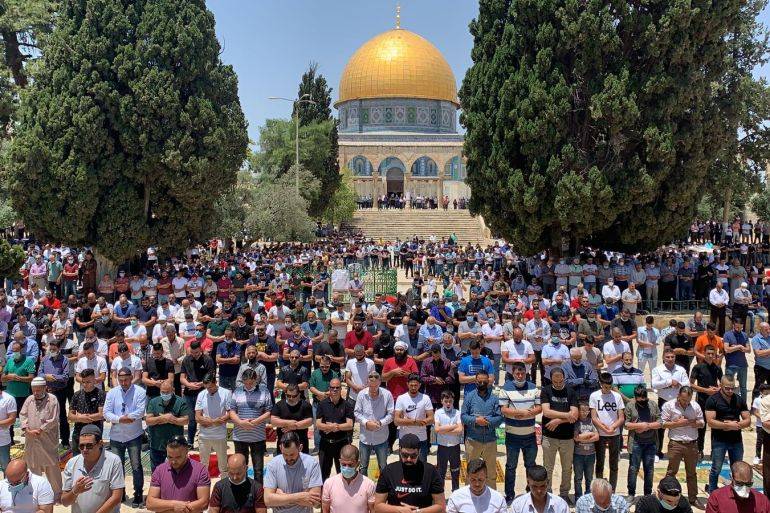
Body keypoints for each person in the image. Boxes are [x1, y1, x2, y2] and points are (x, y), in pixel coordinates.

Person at [103, 367, 147, 508]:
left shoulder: (140, 391)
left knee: (136, 466)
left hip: (134, 435)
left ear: (131, 377)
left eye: (126, 380)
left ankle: (138, 493)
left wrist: (127, 417)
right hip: (116, 436)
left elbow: (141, 411)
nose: (123, 383)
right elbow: (106, 413)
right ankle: (120, 493)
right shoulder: (112, 392)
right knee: (118, 466)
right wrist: (120, 419)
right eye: (121, 380)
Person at [499, 362, 541, 503]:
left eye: (522, 372)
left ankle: (530, 491)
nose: (520, 375)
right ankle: (509, 494)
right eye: (517, 373)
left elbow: (539, 407)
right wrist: (520, 413)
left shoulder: (533, 387)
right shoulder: (506, 388)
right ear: (513, 373)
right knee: (511, 467)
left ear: (526, 372)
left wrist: (527, 413)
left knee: (531, 465)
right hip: (512, 436)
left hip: (530, 435)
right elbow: (503, 409)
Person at [373, 433, 446, 513]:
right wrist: (400, 510)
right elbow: (377, 506)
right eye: (405, 455)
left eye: (413, 456)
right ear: (400, 451)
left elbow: (441, 506)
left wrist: (418, 512)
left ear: (419, 452)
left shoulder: (430, 471)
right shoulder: (389, 471)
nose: (409, 459)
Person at [61, 425, 124, 513]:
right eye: (81, 446)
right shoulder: (72, 463)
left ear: (100, 443)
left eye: (89, 446)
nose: (85, 450)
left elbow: (116, 497)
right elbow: (65, 502)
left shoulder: (113, 461)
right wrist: (75, 491)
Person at [706, 375, 751, 493]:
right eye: (727, 388)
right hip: (719, 440)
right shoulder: (713, 399)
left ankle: (735, 491)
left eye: (732, 388)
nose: (730, 391)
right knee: (716, 468)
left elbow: (747, 420)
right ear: (720, 386)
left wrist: (736, 425)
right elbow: (710, 422)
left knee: (737, 468)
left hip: (736, 440)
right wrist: (727, 426)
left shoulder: (739, 399)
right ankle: (712, 491)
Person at [662, 386, 704, 507]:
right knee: (671, 472)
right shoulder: (669, 405)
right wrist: (677, 423)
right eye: (684, 400)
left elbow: (702, 423)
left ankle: (693, 498)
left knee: (691, 473)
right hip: (676, 443)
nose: (686, 403)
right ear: (678, 396)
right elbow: (663, 423)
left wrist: (691, 422)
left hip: (691, 444)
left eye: (688, 401)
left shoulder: (695, 406)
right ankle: (667, 496)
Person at [540, 367, 578, 503]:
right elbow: (546, 412)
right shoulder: (546, 390)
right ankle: (548, 492)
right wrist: (567, 415)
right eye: (555, 381)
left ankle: (564, 493)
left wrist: (558, 420)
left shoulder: (571, 391)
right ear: (551, 379)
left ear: (564, 378)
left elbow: (575, 415)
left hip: (567, 437)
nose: (557, 383)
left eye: (560, 381)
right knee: (548, 467)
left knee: (567, 468)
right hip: (549, 436)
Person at [228, 367, 272, 484]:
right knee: (241, 467)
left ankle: (258, 491)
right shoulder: (237, 391)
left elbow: (269, 411)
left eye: (251, 383)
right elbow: (232, 411)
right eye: (245, 383)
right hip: (240, 436)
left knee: (258, 469)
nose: (248, 385)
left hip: (257, 436)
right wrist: (240, 422)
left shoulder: (264, 391)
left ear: (256, 380)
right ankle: (243, 489)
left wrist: (256, 422)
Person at [20, 376, 62, 497]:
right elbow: (23, 415)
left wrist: (40, 429)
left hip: (47, 439)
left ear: (45, 388)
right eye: (34, 390)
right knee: (33, 467)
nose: (36, 393)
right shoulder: (29, 399)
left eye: (38, 390)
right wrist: (27, 429)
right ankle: (36, 494)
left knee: (52, 467)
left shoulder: (52, 399)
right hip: (31, 440)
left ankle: (57, 494)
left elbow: (53, 419)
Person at [146, 435, 211, 513]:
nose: (173, 461)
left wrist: (167, 508)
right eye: (170, 457)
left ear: (186, 452)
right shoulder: (159, 470)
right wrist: (174, 505)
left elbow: (204, 503)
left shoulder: (200, 470)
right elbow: (150, 503)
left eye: (178, 457)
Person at [460, 370, 503, 488]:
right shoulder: (469, 397)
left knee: (491, 473)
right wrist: (476, 420)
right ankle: (470, 496)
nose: (482, 383)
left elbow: (499, 418)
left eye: (485, 381)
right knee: (471, 472)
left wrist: (487, 422)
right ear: (475, 381)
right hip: (473, 440)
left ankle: (491, 496)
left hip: (490, 440)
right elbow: (463, 416)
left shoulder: (494, 398)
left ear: (488, 381)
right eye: (480, 381)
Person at [263, 431, 324, 513]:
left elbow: (315, 503)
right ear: (280, 448)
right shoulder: (273, 464)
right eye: (285, 454)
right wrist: (300, 496)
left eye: (292, 454)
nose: (288, 458)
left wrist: (281, 497)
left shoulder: (312, 464)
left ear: (300, 448)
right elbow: (268, 500)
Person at [589, 372, 625, 490]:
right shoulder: (594, 396)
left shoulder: (617, 396)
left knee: (614, 463)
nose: (608, 389)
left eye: (610, 387)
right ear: (600, 384)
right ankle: (599, 488)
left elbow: (621, 417)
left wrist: (613, 427)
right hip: (600, 433)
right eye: (605, 387)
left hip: (615, 433)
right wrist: (604, 428)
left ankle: (612, 489)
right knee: (600, 462)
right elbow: (594, 417)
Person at [354, 370, 393, 477]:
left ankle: (383, 485)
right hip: (365, 437)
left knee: (383, 466)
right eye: (371, 386)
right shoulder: (361, 394)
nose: (373, 389)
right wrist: (366, 423)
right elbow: (357, 413)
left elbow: (391, 414)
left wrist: (380, 423)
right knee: (363, 466)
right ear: (367, 383)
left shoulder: (387, 395)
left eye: (376, 386)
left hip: (381, 437)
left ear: (380, 382)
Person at [652, 349, 690, 459]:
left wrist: (678, 383)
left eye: (672, 357)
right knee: (660, 427)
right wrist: (668, 382)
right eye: (667, 357)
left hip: (678, 402)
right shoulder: (657, 369)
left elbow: (687, 384)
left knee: (679, 427)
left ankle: (678, 452)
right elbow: (654, 384)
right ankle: (657, 452)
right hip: (663, 401)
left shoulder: (681, 369)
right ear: (663, 358)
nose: (670, 359)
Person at [624, 384, 659, 501]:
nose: (643, 402)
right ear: (635, 398)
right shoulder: (630, 406)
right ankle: (631, 493)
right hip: (636, 442)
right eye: (640, 400)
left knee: (649, 469)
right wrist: (639, 426)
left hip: (651, 442)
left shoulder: (653, 405)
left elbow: (660, 422)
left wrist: (647, 426)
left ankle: (647, 494)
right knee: (633, 469)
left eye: (644, 399)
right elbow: (626, 424)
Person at [145, 379, 189, 471]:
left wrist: (172, 419)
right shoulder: (153, 402)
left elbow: (185, 420)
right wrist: (162, 418)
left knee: (177, 471)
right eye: (163, 392)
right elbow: (148, 421)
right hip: (157, 445)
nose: (165, 394)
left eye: (167, 392)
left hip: (176, 446)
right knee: (156, 472)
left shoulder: (180, 401)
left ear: (173, 390)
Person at [316, 377, 354, 480]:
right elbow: (318, 424)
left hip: (341, 443)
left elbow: (350, 425)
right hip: (325, 444)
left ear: (341, 388)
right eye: (333, 387)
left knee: (343, 474)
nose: (335, 390)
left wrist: (335, 427)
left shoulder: (347, 405)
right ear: (329, 388)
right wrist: (330, 427)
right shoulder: (322, 404)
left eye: (337, 387)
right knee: (323, 473)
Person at [195, 371, 231, 478]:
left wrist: (208, 421)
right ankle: (203, 484)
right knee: (203, 465)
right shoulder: (201, 394)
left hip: (220, 435)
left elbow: (230, 413)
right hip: (204, 435)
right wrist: (214, 422)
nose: (208, 390)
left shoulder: (226, 393)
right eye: (206, 387)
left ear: (216, 383)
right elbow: (197, 417)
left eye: (210, 387)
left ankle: (224, 485)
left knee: (223, 466)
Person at [320, 444, 376, 513]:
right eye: (343, 464)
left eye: (350, 465)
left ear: (358, 464)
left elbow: (373, 510)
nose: (346, 468)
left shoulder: (369, 484)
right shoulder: (329, 483)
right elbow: (325, 509)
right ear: (340, 461)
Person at [180, 340, 215, 446]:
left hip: (204, 392)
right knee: (191, 419)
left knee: (205, 418)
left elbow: (211, 377)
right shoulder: (186, 359)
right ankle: (190, 442)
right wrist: (189, 384)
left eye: (196, 353)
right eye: (192, 353)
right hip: (189, 393)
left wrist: (200, 384)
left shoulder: (208, 360)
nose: (194, 355)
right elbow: (182, 378)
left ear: (201, 349)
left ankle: (208, 442)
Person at [690, 344, 723, 457]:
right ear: (704, 353)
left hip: (714, 401)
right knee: (701, 426)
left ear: (715, 355)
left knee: (715, 426)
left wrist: (717, 389)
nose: (710, 356)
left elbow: (723, 384)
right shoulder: (698, 367)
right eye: (708, 353)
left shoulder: (717, 368)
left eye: (712, 354)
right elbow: (691, 384)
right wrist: (705, 390)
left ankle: (715, 450)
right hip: (702, 399)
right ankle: (700, 450)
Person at [37, 337, 70, 447]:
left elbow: (65, 377)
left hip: (59, 392)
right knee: (45, 416)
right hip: (46, 392)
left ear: (59, 349)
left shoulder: (64, 360)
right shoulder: (45, 359)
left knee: (61, 416)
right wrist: (46, 377)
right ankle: (47, 440)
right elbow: (40, 373)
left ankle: (65, 441)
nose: (52, 351)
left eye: (54, 349)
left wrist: (53, 377)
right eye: (50, 349)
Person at [394, 373, 435, 461]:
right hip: (405, 437)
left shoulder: (425, 398)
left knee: (422, 464)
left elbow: (431, 419)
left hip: (421, 438)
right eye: (411, 385)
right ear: (407, 384)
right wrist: (416, 422)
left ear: (419, 385)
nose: (413, 387)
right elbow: (396, 421)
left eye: (415, 385)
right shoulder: (401, 398)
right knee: (404, 464)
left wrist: (406, 421)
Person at [705, 461, 770, 513]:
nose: (744, 488)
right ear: (731, 477)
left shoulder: (762, 501)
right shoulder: (716, 498)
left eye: (748, 484)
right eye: (739, 483)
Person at [68, 368, 105, 456]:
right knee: (77, 458)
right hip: (78, 433)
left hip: (94, 434)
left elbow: (101, 414)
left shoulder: (100, 394)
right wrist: (80, 418)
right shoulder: (77, 395)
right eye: (83, 382)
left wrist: (84, 418)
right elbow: (70, 416)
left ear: (94, 380)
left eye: (88, 382)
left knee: (95, 458)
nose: (85, 384)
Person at [434, 390, 463, 492]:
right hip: (442, 447)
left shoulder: (458, 413)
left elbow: (460, 430)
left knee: (455, 471)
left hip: (455, 447)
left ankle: (455, 491)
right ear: (442, 401)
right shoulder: (438, 413)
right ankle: (440, 493)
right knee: (441, 472)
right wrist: (453, 426)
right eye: (446, 401)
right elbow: (437, 429)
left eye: (450, 401)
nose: (448, 404)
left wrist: (444, 430)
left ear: (453, 401)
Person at [573, 402, 599, 498]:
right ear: (579, 411)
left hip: (591, 454)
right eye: (582, 411)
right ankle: (578, 496)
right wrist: (590, 434)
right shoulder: (576, 422)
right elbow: (576, 437)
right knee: (578, 478)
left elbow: (597, 437)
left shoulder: (592, 421)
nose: (585, 413)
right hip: (578, 454)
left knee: (589, 478)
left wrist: (583, 438)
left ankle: (588, 496)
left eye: (587, 411)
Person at [723, 319, 750, 401]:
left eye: (741, 327)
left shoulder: (744, 335)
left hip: (743, 365)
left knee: (743, 387)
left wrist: (734, 347)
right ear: (733, 325)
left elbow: (748, 350)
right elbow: (726, 349)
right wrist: (739, 347)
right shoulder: (727, 335)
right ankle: (727, 403)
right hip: (731, 365)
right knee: (728, 386)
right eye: (737, 327)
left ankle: (743, 404)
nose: (739, 329)